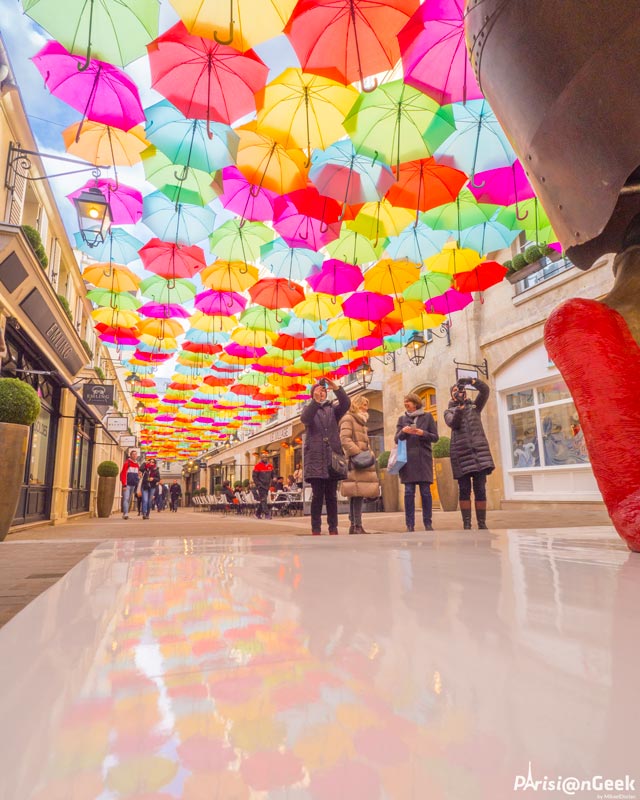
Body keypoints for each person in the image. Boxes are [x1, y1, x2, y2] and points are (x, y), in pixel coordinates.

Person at [301, 378, 350, 535]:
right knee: (317, 496)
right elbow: (305, 419)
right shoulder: (309, 409)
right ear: (313, 394)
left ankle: (333, 528)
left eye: (323, 390)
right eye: (318, 390)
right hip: (315, 458)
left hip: (332, 457)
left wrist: (336, 387)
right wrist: (315, 402)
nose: (322, 393)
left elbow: (346, 403)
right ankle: (316, 528)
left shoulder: (332, 409)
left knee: (331, 496)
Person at [444, 377, 495, 530]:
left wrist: (471, 381)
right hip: (461, 455)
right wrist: (459, 408)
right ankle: (467, 523)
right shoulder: (448, 411)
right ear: (451, 396)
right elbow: (454, 423)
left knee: (480, 489)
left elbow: (485, 390)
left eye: (460, 390)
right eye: (455, 392)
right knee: (464, 490)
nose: (459, 393)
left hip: (479, 454)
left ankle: (482, 523)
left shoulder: (475, 407)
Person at [395, 393, 439, 532]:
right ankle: (410, 524)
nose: (406, 403)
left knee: (426, 492)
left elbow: (435, 437)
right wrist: (403, 431)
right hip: (407, 461)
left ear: (415, 403)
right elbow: (397, 439)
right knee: (408, 492)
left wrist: (422, 433)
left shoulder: (427, 417)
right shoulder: (402, 419)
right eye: (404, 401)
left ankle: (428, 523)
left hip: (423, 459)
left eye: (408, 401)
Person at [339, 394, 379, 534]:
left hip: (361, 461)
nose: (366, 408)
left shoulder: (361, 422)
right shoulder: (349, 418)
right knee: (356, 493)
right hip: (356, 462)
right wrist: (358, 453)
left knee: (357, 493)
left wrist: (369, 453)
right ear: (357, 404)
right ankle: (356, 525)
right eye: (364, 405)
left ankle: (355, 525)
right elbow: (344, 439)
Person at [119, 449, 140, 520]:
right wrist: (124, 484)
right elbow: (123, 474)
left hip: (133, 485)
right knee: (126, 498)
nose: (134, 455)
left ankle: (125, 513)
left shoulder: (137, 464)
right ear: (130, 455)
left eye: (135, 454)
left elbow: (137, 475)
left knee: (129, 499)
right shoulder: (127, 463)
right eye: (133, 454)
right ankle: (126, 514)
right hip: (127, 484)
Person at [252, 455, 273, 519]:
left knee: (263, 500)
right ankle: (267, 514)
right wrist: (258, 484)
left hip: (267, 486)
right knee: (264, 499)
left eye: (266, 457)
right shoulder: (257, 466)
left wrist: (274, 478)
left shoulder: (270, 466)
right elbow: (254, 476)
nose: (265, 458)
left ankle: (257, 513)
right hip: (261, 486)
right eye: (264, 457)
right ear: (261, 458)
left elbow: (273, 474)